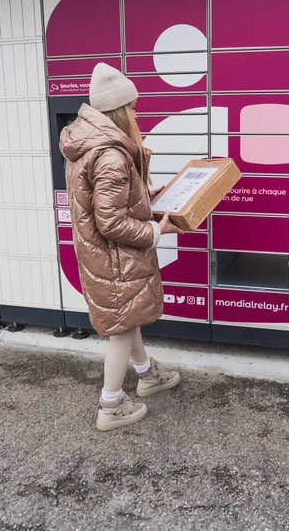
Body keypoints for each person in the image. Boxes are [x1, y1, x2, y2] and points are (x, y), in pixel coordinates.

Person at [59, 63, 184, 432]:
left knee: (128, 320)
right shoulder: (112, 153)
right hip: (116, 259)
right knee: (121, 331)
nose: (136, 114)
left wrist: (148, 196)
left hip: (105, 256)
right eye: (132, 107)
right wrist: (154, 230)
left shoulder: (90, 145)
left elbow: (108, 203)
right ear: (120, 110)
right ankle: (110, 405)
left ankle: (147, 376)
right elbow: (110, 221)